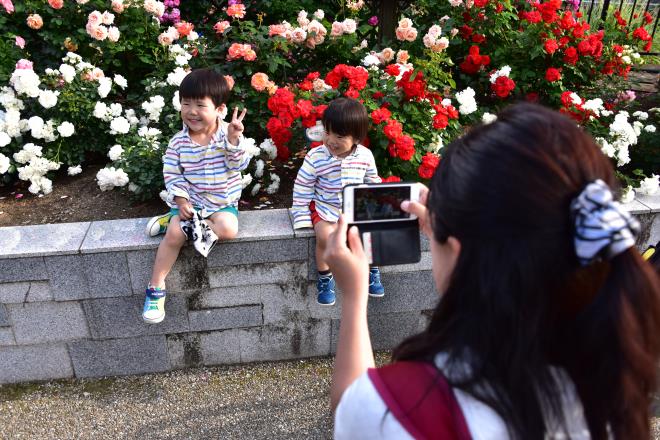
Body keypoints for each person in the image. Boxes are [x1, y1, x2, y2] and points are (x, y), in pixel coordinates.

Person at [326, 103, 660, 439]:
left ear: (459, 252)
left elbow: (350, 412)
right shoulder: (613, 383)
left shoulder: (397, 411)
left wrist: (354, 299)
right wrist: (452, 235)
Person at [142, 68, 251, 324]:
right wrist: (181, 201)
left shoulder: (228, 135)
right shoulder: (178, 143)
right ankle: (156, 287)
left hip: (221, 204)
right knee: (175, 235)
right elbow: (172, 174)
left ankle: (172, 221)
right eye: (186, 103)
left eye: (200, 105)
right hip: (190, 204)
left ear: (220, 109)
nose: (191, 111)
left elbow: (239, 165)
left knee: (228, 229)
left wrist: (234, 141)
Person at [291, 97, 385, 306]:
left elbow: (372, 181)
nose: (331, 140)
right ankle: (325, 277)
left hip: (355, 207)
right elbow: (303, 186)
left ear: (357, 139)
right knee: (325, 236)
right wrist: (300, 214)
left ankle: (372, 268)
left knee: (371, 233)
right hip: (326, 206)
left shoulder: (365, 156)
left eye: (339, 135)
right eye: (327, 132)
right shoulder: (316, 157)